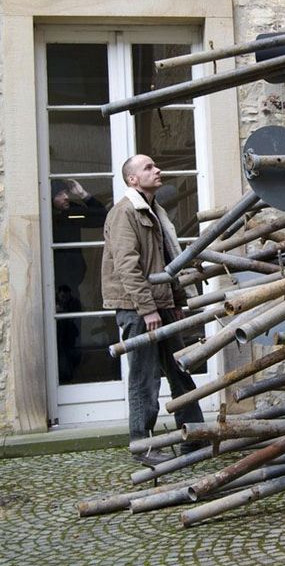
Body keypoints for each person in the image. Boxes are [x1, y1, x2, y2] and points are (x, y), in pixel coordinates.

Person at [101, 154, 204, 465]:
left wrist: (175, 302)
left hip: (160, 304)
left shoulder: (155, 212)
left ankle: (195, 438)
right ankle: (142, 447)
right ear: (133, 179)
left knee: (180, 369)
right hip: (137, 307)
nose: (157, 169)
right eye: (148, 167)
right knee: (144, 377)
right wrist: (147, 310)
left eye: (155, 165)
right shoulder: (125, 213)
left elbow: (164, 262)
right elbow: (127, 267)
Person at [51, 179, 108, 384]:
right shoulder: (47, 218)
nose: (66, 197)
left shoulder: (72, 212)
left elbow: (102, 217)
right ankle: (63, 378)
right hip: (52, 286)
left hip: (72, 287)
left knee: (72, 335)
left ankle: (72, 377)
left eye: (67, 192)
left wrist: (83, 194)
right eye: (60, 194)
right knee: (57, 337)